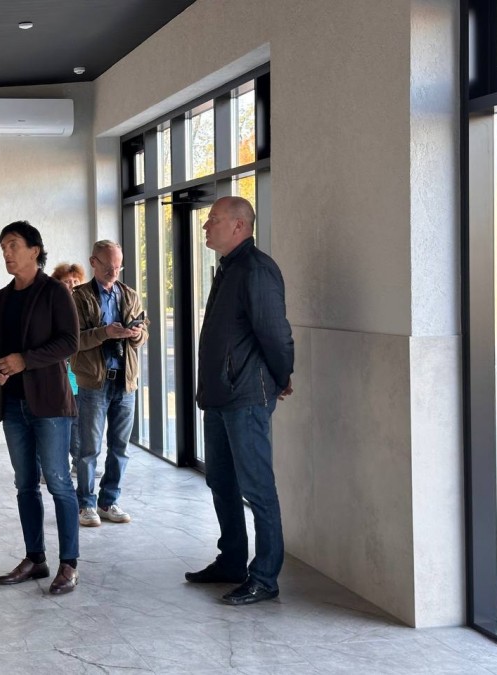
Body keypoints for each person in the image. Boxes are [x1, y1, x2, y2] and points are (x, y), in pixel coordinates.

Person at [185, 196, 294, 606]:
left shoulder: (256, 270)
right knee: (221, 481)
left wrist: (281, 376)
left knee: (257, 487)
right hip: (220, 395)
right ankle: (231, 561)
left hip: (246, 395)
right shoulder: (229, 267)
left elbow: (275, 333)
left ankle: (264, 577)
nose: (205, 226)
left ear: (238, 226)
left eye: (213, 219)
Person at [0, 221, 81, 595]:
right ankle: (35, 558)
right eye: (3, 246)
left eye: (13, 245)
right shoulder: (0, 298)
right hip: (13, 404)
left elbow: (69, 342)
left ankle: (69, 563)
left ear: (34, 250)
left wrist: (25, 359)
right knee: (25, 484)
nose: (6, 252)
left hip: (50, 403)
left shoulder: (55, 292)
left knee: (58, 481)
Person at [71, 241, 148, 527]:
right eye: (108, 266)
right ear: (93, 262)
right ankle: (86, 504)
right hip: (94, 383)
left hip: (125, 382)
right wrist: (105, 332)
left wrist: (136, 334)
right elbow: (73, 340)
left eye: (118, 266)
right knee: (89, 449)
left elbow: (144, 335)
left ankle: (109, 501)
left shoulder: (129, 294)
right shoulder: (78, 297)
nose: (113, 272)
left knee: (120, 448)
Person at [49, 262, 87, 475]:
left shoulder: (85, 307)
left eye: (75, 281)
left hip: (78, 375)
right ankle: (51, 468)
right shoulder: (52, 307)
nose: (72, 285)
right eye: (66, 282)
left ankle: (78, 464)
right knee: (55, 424)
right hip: (57, 375)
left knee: (78, 423)